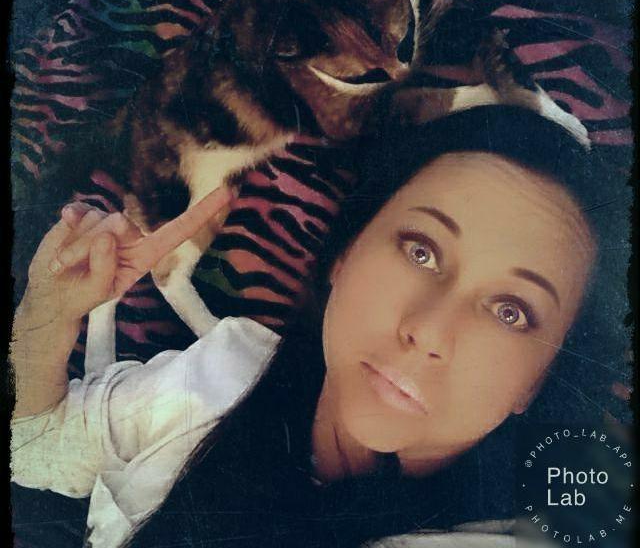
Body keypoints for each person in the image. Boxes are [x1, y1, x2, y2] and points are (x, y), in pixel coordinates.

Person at [11, 106, 623, 548]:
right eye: (421, 251)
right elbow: (38, 451)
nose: (430, 332)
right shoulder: (221, 371)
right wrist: (47, 314)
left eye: (511, 311)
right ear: (345, 254)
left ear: (537, 383)